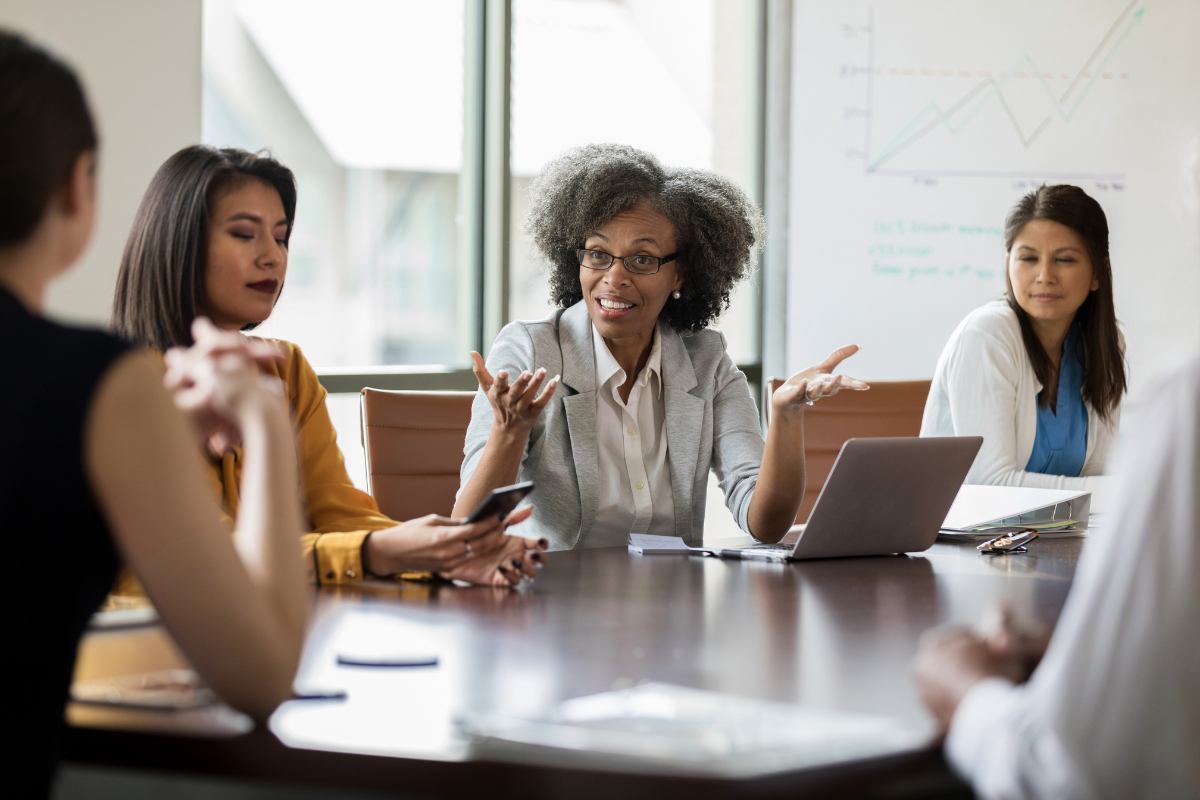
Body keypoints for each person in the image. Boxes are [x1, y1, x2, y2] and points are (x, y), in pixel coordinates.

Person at [0, 31, 314, 796]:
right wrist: (266, 425)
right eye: (245, 235)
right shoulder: (96, 386)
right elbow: (261, 672)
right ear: (78, 190)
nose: (268, 254)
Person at [111, 145, 543, 588]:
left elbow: (341, 514)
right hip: (146, 643)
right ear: (178, 242)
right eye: (244, 234)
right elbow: (204, 556)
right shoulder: (123, 387)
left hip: (277, 625)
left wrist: (449, 549)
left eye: (281, 237)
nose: (272, 257)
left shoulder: (286, 367)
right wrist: (385, 551)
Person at [454, 144, 867, 549]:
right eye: (598, 254)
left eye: (642, 259)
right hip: (555, 603)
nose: (614, 277)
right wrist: (510, 433)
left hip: (676, 602)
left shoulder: (705, 361)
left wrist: (786, 415)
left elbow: (767, 526)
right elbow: (467, 529)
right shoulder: (532, 351)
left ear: (681, 275)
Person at [914, 350, 1200, 799]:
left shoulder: (1189, 398)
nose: (1045, 275)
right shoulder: (988, 340)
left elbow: (1065, 775)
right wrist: (1111, 648)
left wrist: (966, 692)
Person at [920, 185, 1126, 489]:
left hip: (1055, 533)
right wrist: (1125, 491)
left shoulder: (1104, 343)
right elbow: (992, 485)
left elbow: (1096, 474)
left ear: (1098, 273)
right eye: (1028, 258)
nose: (1044, 276)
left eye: (1065, 260)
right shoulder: (987, 335)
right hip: (967, 533)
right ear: (1009, 264)